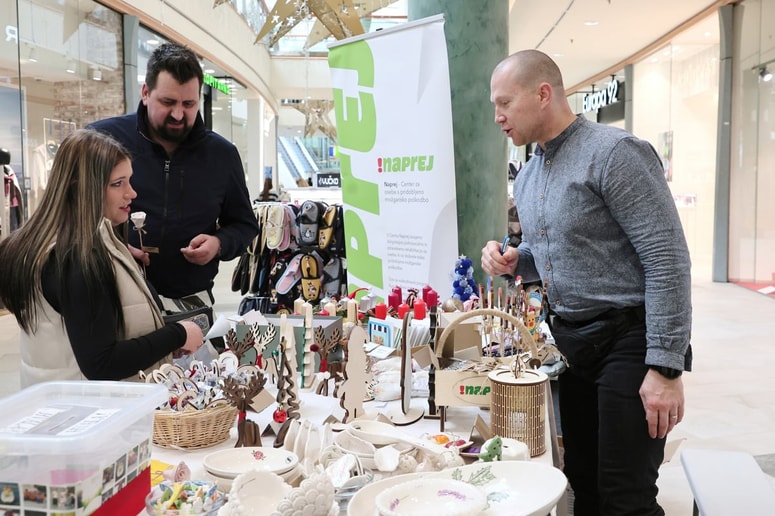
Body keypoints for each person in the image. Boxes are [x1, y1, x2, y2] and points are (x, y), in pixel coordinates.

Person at [481, 50, 692, 516]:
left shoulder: (615, 154)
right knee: (582, 483)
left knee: (625, 494)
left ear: (542, 94)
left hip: (631, 341)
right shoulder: (531, 172)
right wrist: (516, 259)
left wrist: (666, 367)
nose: (497, 117)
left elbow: (667, 258)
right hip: (574, 347)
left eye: (504, 103)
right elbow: (550, 254)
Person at [0, 129, 204, 387]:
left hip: (62, 407)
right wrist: (178, 334)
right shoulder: (77, 258)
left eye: (129, 181)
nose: (132, 193)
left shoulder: (46, 245)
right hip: (86, 412)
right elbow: (101, 363)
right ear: (83, 187)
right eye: (118, 184)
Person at [88, 42, 258, 315]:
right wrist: (111, 249)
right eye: (168, 102)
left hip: (192, 303)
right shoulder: (103, 140)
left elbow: (244, 224)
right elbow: (69, 215)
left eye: (189, 104)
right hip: (113, 298)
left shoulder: (222, 154)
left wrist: (218, 244)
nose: (178, 114)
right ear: (146, 93)